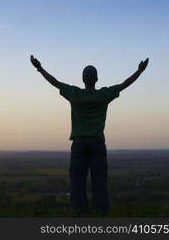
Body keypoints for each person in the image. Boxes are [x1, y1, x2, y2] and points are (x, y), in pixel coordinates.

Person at [30, 55, 149, 216]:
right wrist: (139, 71)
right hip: (97, 142)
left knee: (77, 179)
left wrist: (40, 68)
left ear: (83, 79)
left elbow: (54, 82)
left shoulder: (74, 93)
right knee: (99, 178)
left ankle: (80, 210)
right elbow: (124, 85)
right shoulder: (103, 94)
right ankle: (100, 210)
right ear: (97, 79)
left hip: (79, 143)